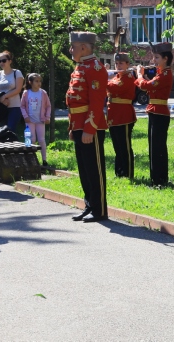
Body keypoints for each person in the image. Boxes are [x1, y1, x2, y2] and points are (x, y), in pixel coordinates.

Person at [67, 32, 109, 223]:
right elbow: (73, 100)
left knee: (94, 169)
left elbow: (96, 102)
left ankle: (99, 209)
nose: (70, 50)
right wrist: (72, 127)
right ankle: (89, 205)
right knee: (84, 169)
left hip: (90, 126)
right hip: (79, 125)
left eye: (73, 46)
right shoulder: (80, 67)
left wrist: (89, 129)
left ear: (84, 47)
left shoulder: (95, 68)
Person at [135, 42, 174, 187]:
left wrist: (140, 75)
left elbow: (147, 86)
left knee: (158, 148)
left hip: (160, 113)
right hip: (154, 111)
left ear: (165, 59)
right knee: (153, 147)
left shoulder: (166, 74)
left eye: (157, 58)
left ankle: (160, 179)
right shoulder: (161, 72)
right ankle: (156, 178)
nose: (154, 61)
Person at [106, 53, 137, 178]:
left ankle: (128, 172)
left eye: (121, 63)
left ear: (127, 64)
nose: (118, 66)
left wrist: (102, 77)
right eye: (117, 63)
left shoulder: (128, 77)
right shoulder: (116, 77)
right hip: (113, 114)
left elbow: (113, 88)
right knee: (117, 146)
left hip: (124, 115)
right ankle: (119, 172)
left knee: (124, 147)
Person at [20, 73, 51, 165]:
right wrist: (25, 116)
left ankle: (44, 160)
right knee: (30, 139)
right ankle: (29, 159)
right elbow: (22, 106)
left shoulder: (43, 93)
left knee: (41, 140)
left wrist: (47, 117)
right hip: (30, 121)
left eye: (40, 81)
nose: (39, 83)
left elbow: (48, 106)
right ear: (30, 82)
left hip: (40, 121)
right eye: (36, 81)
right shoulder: (26, 93)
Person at [0, 51, 23, 132]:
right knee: (3, 132)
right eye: (0, 61)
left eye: (4, 60)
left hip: (14, 107)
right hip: (2, 108)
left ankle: (14, 145)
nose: (1, 63)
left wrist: (4, 97)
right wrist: (0, 99)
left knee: (10, 131)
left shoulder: (17, 73)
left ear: (10, 61)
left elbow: (18, 89)